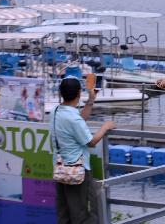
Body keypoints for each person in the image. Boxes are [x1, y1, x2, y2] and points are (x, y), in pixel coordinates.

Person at [53, 77, 116, 224]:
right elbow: (92, 142)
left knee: (64, 215)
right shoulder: (73, 119)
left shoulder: (57, 111)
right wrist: (105, 127)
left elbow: (79, 120)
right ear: (79, 93)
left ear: (61, 93)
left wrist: (91, 100)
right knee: (83, 215)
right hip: (78, 173)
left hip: (61, 170)